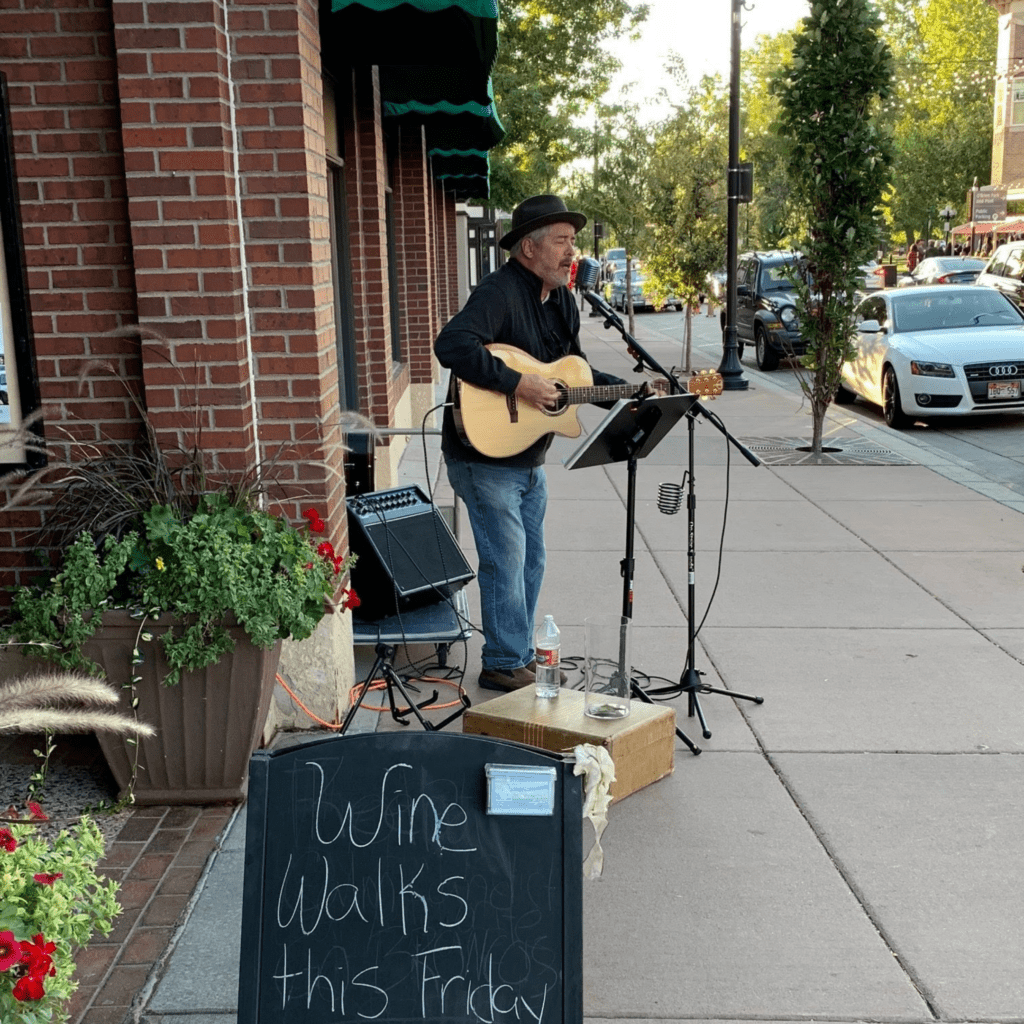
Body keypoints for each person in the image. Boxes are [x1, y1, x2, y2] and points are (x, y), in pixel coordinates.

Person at [434, 195, 631, 692]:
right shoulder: (499, 292)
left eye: (573, 242)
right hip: (483, 454)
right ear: (529, 247)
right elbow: (452, 345)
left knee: (530, 557)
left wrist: (633, 392)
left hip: (526, 452)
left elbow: (574, 373)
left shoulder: (562, 299)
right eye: (562, 242)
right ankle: (502, 662)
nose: (572, 253)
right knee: (506, 555)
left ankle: (516, 654)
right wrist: (518, 384)